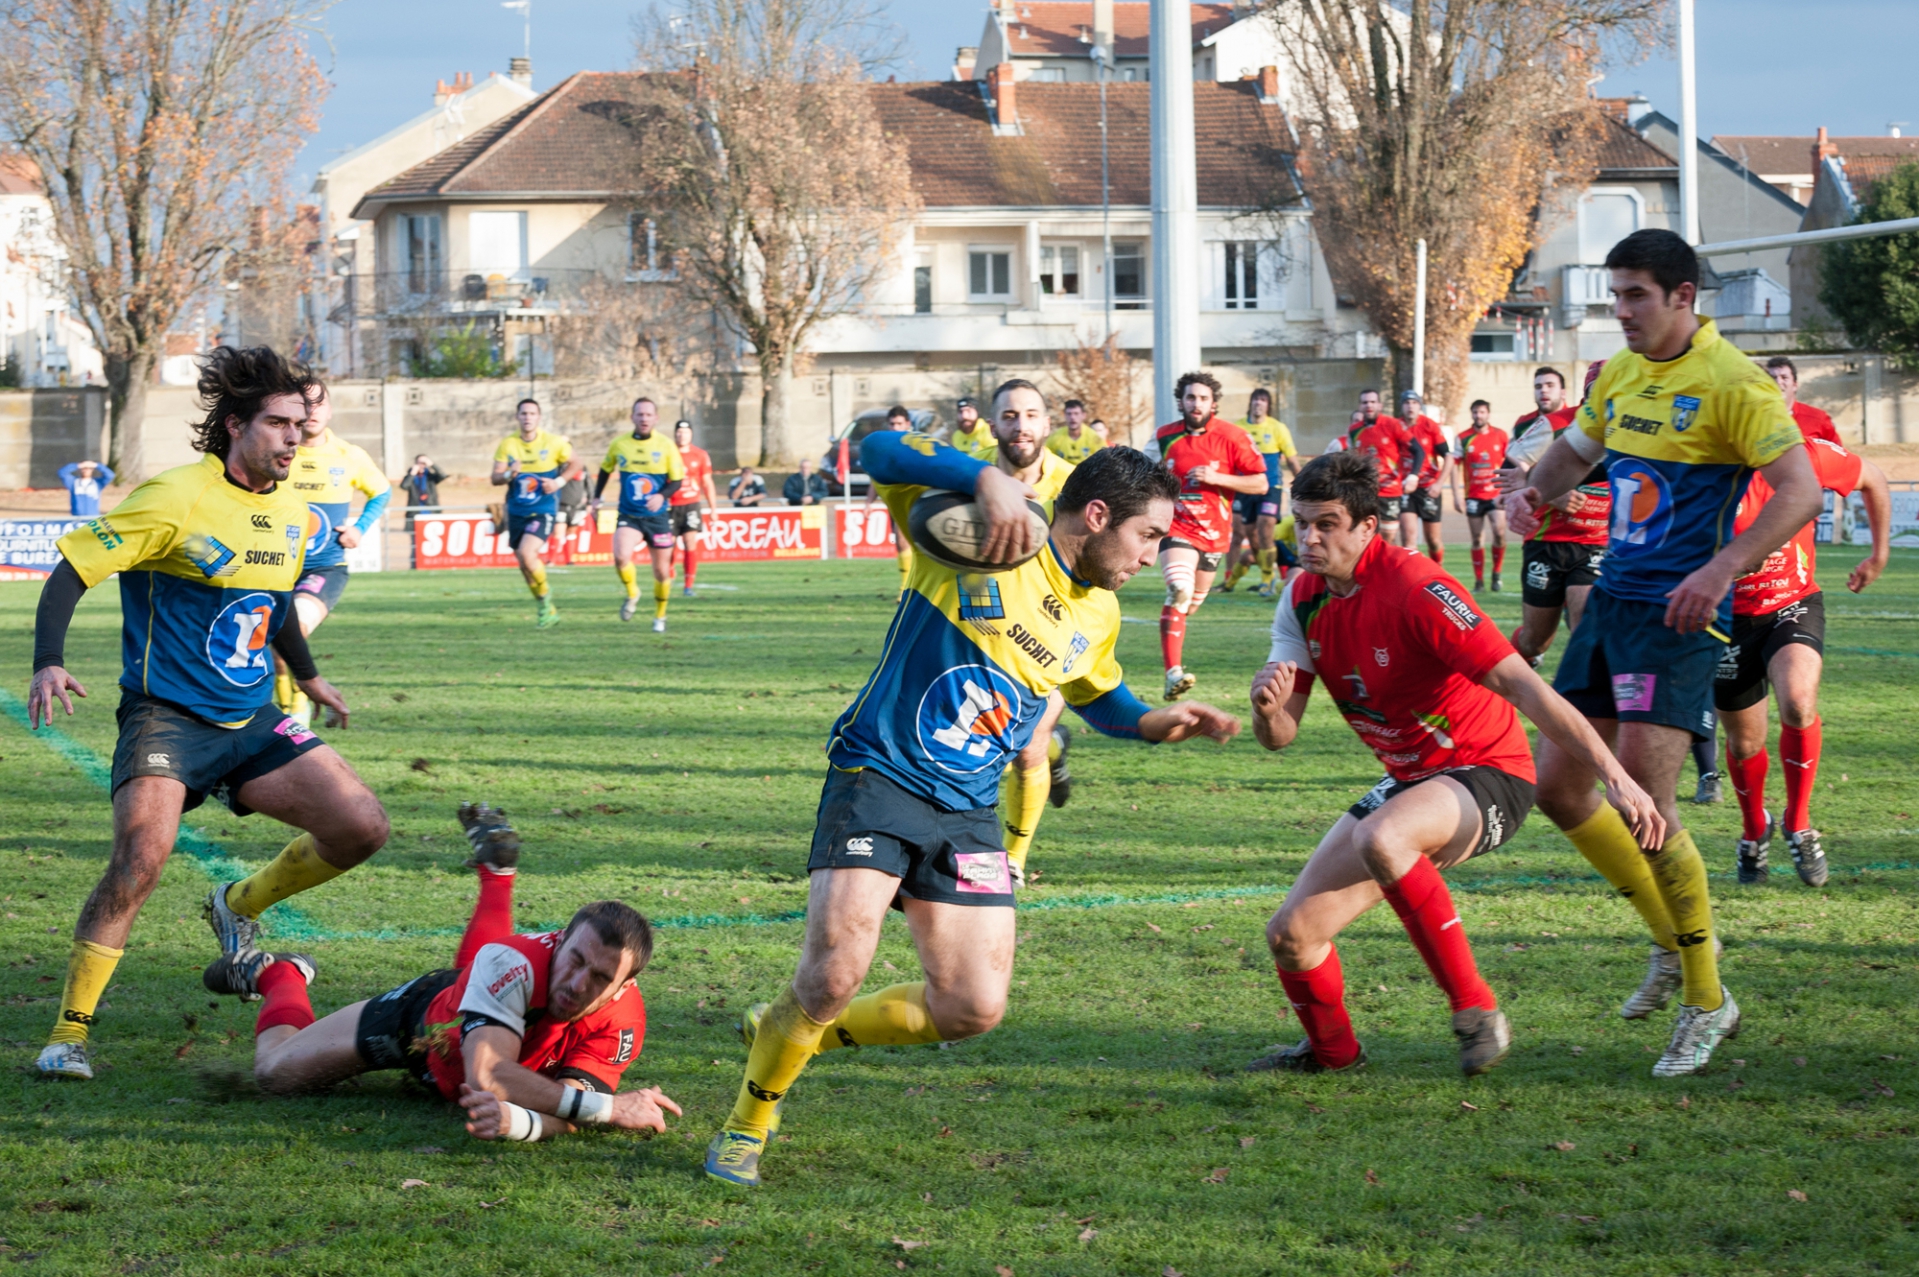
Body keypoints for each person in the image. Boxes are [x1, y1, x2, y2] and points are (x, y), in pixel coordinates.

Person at [703, 421, 1242, 1188]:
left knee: (971, 1007)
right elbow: (875, 449)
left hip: (966, 809)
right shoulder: (978, 537)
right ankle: (748, 1120)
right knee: (830, 976)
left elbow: (1103, 697)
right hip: (879, 773)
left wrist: (1155, 722)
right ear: (1096, 516)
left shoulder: (1098, 612)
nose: (1152, 557)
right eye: (1147, 536)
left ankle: (791, 1034)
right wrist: (983, 479)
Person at [25, 345, 390, 1081]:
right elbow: (72, 571)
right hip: (167, 717)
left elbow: (279, 601)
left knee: (361, 825)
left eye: (300, 424)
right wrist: (48, 658)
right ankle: (69, 1033)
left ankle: (236, 904)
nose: (296, 437)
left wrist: (310, 676)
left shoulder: (291, 512)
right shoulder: (174, 497)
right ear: (235, 425)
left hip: (251, 718)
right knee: (138, 861)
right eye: (280, 423)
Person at [1508, 228, 1822, 1077]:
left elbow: (1801, 491)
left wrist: (1722, 569)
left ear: (1684, 296)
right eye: (1614, 297)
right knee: (1558, 783)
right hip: (1610, 601)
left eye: (1635, 296)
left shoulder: (1734, 384)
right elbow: (1579, 448)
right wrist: (1532, 491)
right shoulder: (1620, 375)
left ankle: (1704, 993)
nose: (1620, 312)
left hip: (1679, 619)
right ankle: (1666, 935)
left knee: (1644, 802)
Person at [1247, 451, 1661, 1077]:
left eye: (1326, 524)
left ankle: (1476, 1011)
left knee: (1383, 835)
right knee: (1293, 935)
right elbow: (1281, 737)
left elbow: (1529, 690)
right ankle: (1333, 1055)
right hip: (1413, 778)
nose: (1308, 538)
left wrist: (1617, 777)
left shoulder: (1420, 589)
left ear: (1366, 527)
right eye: (1302, 523)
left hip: (1489, 771)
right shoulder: (1302, 598)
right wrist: (1264, 708)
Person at [220, 804, 681, 1144]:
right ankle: (281, 975)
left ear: (626, 986)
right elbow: (488, 1076)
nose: (579, 985)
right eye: (576, 961)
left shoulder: (623, 1020)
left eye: (601, 978)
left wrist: (519, 1123)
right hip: (420, 1024)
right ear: (559, 940)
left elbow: (572, 1111)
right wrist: (613, 1108)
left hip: (483, 1011)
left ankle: (496, 875)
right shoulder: (512, 962)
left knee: (486, 979)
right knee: (275, 1075)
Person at [1718, 434, 1890, 886]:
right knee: (1744, 745)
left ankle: (1799, 821)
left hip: (1792, 604)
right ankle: (1755, 828)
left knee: (1797, 700)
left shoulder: (1809, 455)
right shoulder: (1700, 469)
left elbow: (1873, 478)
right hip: (1726, 620)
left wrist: (1879, 553)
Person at [974, 382, 1081, 888]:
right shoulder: (968, 471)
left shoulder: (1075, 485)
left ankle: (1013, 860)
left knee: (1026, 746)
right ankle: (1057, 749)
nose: (1021, 426)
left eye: (1032, 415)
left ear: (1046, 423)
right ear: (993, 424)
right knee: (984, 745)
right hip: (978, 625)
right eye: (1010, 416)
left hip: (1051, 632)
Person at [276, 380, 392, 729]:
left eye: (319, 403)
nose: (312, 411)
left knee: (291, 637)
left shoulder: (350, 456)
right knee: (276, 656)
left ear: (330, 410)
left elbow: (382, 492)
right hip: (274, 569)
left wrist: (360, 527)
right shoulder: (277, 450)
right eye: (304, 404)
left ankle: (293, 729)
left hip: (324, 568)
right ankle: (299, 709)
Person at [1153, 371, 1269, 700]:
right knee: (1178, 588)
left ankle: (1174, 632)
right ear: (1181, 401)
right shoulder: (1164, 437)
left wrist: (1217, 477)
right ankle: (1172, 672)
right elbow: (1143, 477)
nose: (1196, 403)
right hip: (1177, 529)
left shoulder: (1234, 436)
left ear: (1213, 402)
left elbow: (1260, 483)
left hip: (1215, 536)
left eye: (1203, 398)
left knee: (1188, 605)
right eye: (1190, 397)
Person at [1500, 366, 1608, 667]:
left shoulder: (1631, 428)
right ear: (1585, 393)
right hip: (1547, 540)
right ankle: (1507, 670)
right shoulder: (1555, 424)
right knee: (1535, 640)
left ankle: (1581, 701)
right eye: (1597, 391)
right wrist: (1552, 493)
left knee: (1583, 620)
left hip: (1597, 542)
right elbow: (1509, 470)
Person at [594, 397, 684, 631]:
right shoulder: (619, 444)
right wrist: (596, 497)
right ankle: (633, 593)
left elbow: (677, 481)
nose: (644, 418)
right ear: (632, 417)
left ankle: (660, 616)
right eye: (639, 414)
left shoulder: (666, 446)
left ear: (656, 418)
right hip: (629, 515)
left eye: (648, 414)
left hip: (658, 517)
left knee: (662, 571)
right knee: (621, 556)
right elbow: (605, 470)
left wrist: (662, 496)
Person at [491, 398, 580, 629]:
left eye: (532, 413)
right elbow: (495, 478)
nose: (527, 417)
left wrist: (558, 482)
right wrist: (510, 474)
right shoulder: (508, 444)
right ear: (517, 417)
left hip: (543, 510)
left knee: (527, 553)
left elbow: (576, 464)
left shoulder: (552, 442)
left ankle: (546, 599)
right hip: (517, 511)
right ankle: (545, 608)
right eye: (523, 413)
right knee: (523, 563)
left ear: (539, 417)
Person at [1221, 388, 1301, 599]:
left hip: (1270, 486)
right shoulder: (1238, 428)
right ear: (1251, 403)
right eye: (1256, 399)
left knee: (1265, 527)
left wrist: (1303, 482)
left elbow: (1292, 459)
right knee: (1251, 535)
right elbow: (1227, 459)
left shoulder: (1278, 428)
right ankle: (1237, 578)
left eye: (1263, 400)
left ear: (1268, 405)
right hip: (1245, 487)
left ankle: (1268, 581)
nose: (1259, 403)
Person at [1338, 390, 1423, 548]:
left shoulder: (1392, 425)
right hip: (1365, 491)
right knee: (1364, 536)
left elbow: (1418, 450)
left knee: (1387, 537)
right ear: (1360, 406)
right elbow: (1352, 458)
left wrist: (1413, 476)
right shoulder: (1354, 430)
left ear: (1379, 405)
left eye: (1372, 402)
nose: (1369, 405)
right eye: (1364, 402)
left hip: (1390, 490)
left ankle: (1385, 567)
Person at [1450, 400, 1509, 592]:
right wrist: (1457, 495)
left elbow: (1511, 462)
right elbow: (1453, 465)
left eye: (1482, 412)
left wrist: (1509, 490)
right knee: (1476, 538)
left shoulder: (1500, 436)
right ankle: (1479, 581)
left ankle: (1496, 575)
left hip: (1495, 495)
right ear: (1472, 414)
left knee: (1499, 533)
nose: (1478, 416)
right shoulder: (1464, 438)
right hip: (1473, 496)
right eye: (1475, 412)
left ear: (1488, 414)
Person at [1396, 390, 1450, 562]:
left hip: (1428, 488)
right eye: (1406, 403)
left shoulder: (1429, 426)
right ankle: (1412, 578)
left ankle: (1437, 571)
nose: (1410, 406)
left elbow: (1448, 456)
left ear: (1419, 406)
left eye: (1414, 403)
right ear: (1402, 406)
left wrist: (1439, 484)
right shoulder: (1395, 426)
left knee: (1433, 541)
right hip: (1405, 488)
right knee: (1409, 540)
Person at [670, 420, 719, 598]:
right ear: (675, 434)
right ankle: (669, 572)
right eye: (679, 432)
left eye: (686, 432)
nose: (682, 435)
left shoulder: (700, 455)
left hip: (691, 504)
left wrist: (713, 509)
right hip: (670, 505)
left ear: (691, 434)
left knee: (690, 542)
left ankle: (688, 585)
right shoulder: (668, 452)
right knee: (668, 545)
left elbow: (707, 482)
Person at [1765, 357, 1841, 445]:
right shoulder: (1758, 420)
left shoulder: (1818, 419)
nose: (1778, 382)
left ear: (1795, 385)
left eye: (1784, 377)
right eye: (1773, 378)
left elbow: (1840, 455)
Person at [1045, 398, 1105, 464]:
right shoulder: (1055, 437)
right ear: (1064, 415)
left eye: (1076, 413)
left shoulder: (1094, 437)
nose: (1072, 417)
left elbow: (1104, 461)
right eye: (1069, 414)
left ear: (1083, 415)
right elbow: (1046, 458)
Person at [402, 455, 446, 530]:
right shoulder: (411, 476)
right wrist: (412, 473)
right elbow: (404, 486)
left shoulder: (430, 476)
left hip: (431, 508)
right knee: (415, 536)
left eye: (424, 463)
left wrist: (432, 465)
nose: (422, 465)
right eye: (420, 462)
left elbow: (443, 475)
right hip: (416, 509)